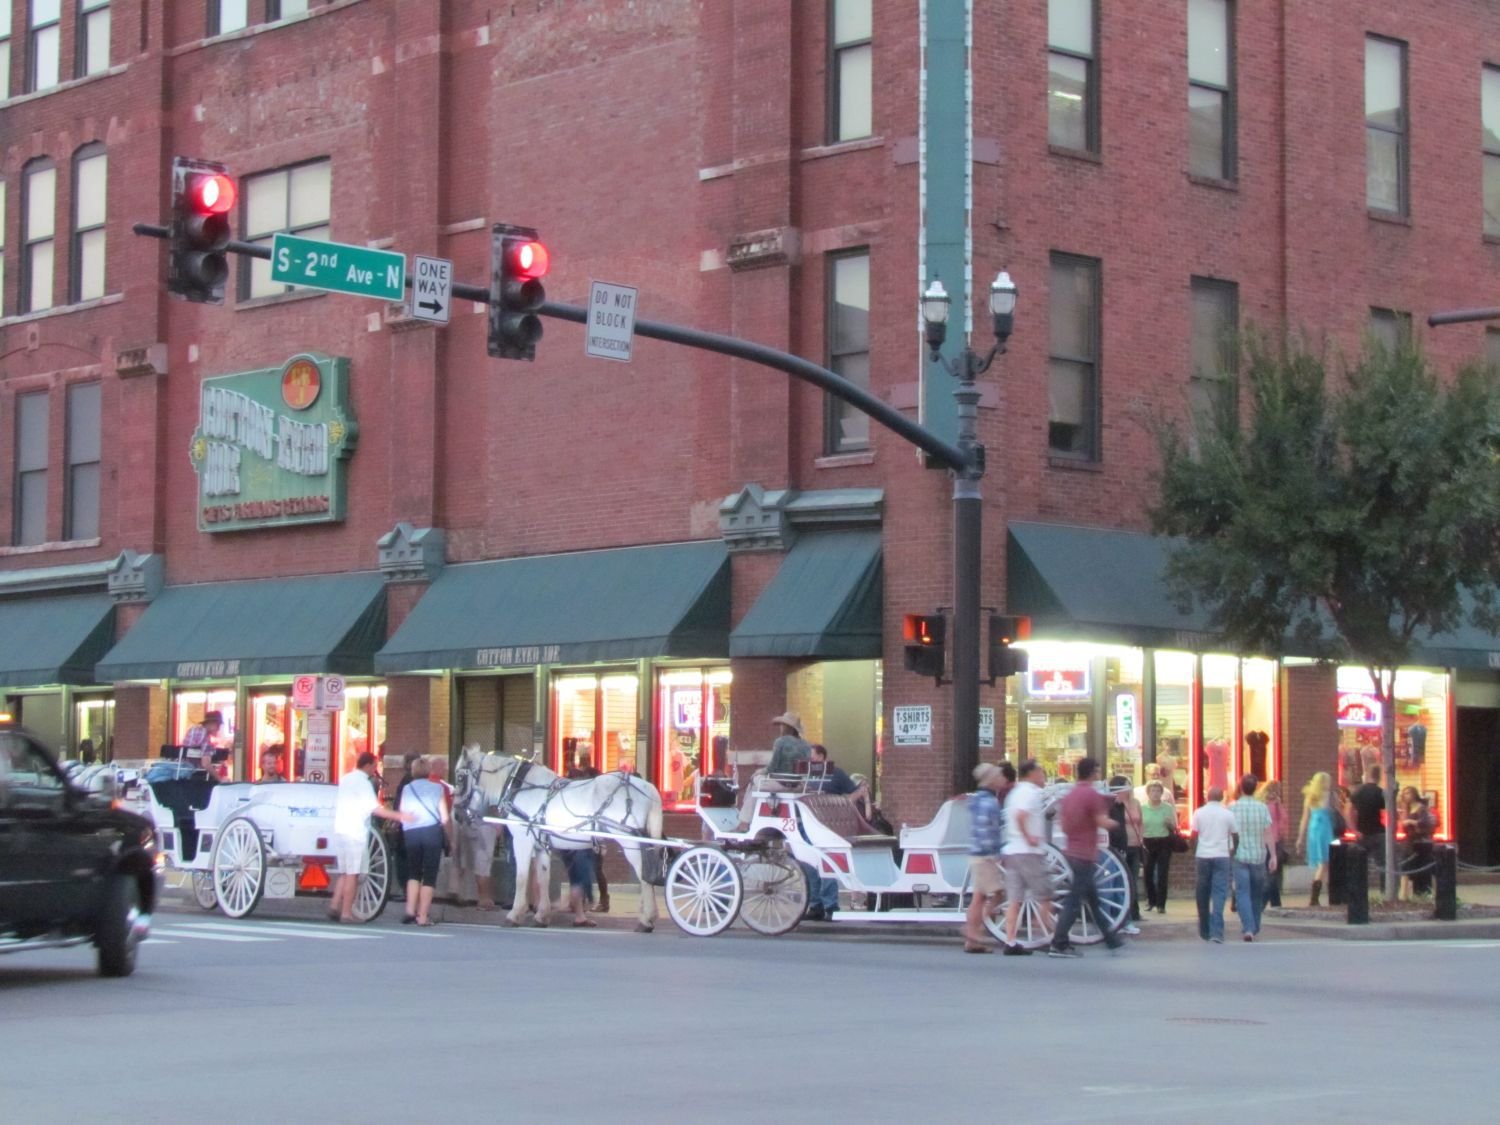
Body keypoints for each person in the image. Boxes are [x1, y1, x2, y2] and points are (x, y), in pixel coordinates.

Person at [1049, 758, 1124, 958]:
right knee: (1075, 901)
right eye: (1098, 771)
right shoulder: (1092, 795)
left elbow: (1064, 826)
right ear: (1092, 773)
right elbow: (1101, 821)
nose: (1099, 775)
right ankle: (1059, 942)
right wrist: (1116, 824)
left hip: (1071, 851)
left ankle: (1110, 939)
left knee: (1093, 899)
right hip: (1085, 853)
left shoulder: (1070, 796)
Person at [329, 751, 412, 923]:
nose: (375, 770)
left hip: (340, 829)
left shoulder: (345, 779)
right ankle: (346, 913)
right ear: (367, 765)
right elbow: (375, 809)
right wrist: (399, 816)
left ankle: (335, 905)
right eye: (374, 766)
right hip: (355, 831)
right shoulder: (363, 784)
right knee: (353, 873)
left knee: (344, 872)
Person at [1001, 760, 1052, 956]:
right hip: (1028, 852)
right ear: (1031, 773)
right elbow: (1021, 816)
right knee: (1046, 895)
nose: (1043, 775)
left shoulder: (1014, 793)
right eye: (1040, 771)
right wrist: (1028, 836)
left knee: (1015, 899)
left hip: (1012, 851)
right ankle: (1046, 933)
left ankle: (1011, 941)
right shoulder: (1029, 793)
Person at [399, 756, 454, 926]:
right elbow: (444, 817)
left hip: (411, 833)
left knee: (414, 872)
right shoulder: (437, 788)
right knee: (429, 875)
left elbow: (403, 812)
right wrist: (451, 839)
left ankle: (409, 909)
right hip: (431, 833)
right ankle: (422, 916)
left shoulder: (407, 789)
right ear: (429, 771)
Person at [734, 711, 811, 830]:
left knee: (755, 782)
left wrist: (759, 772)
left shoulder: (781, 742)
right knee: (758, 783)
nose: (780, 727)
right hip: (798, 784)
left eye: (782, 725)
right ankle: (753, 815)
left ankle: (744, 821)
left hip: (780, 783)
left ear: (787, 727)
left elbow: (773, 767)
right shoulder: (806, 745)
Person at [962, 762, 1007, 953]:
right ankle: (974, 931)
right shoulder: (990, 802)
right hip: (984, 855)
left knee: (979, 896)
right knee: (996, 894)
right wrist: (995, 853)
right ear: (992, 780)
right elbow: (989, 830)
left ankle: (973, 938)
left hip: (976, 853)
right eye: (999, 776)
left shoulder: (977, 799)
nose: (1002, 780)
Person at [1230, 774, 1275, 941]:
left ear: (1241, 787)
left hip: (1240, 855)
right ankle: (1255, 925)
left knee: (1242, 892)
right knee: (1257, 892)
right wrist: (1273, 855)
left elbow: (1229, 833)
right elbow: (1268, 832)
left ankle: (1248, 927)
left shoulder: (1232, 808)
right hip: (1258, 855)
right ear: (1256, 788)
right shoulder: (1262, 808)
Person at [1191, 786, 1236, 943]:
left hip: (1203, 855)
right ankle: (1217, 931)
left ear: (1207, 797)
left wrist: (1195, 851)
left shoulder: (1198, 813)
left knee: (1202, 891)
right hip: (1222, 855)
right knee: (1219, 893)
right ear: (1221, 797)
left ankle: (1204, 928)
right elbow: (1234, 835)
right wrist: (1232, 851)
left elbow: (1194, 835)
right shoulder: (1228, 814)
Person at [566, 754, 610, 913]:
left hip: (591, 833)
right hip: (593, 833)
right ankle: (592, 900)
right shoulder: (591, 777)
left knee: (588, 868)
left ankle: (586, 901)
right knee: (594, 869)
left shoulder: (584, 780)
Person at [1108, 775, 1143, 935]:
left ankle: (1120, 920)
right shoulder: (1111, 806)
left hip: (1121, 848)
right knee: (1120, 887)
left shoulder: (1121, 805)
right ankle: (1122, 921)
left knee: (1121, 886)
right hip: (1114, 849)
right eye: (1126, 787)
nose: (1129, 790)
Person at [1296, 771, 1337, 906]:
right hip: (1325, 828)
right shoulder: (1330, 796)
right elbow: (1339, 810)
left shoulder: (1310, 797)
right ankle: (1319, 897)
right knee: (1325, 862)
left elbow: (1304, 818)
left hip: (1313, 829)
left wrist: (1300, 838)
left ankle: (1324, 895)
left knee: (1325, 862)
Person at [1140, 780, 1176, 914]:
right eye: (1152, 791)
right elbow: (1139, 825)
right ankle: (1151, 901)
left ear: (1161, 793)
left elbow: (1174, 827)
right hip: (1148, 840)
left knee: (1162, 873)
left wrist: (1169, 824)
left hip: (1163, 841)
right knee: (1148, 873)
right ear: (1148, 793)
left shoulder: (1167, 807)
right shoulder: (1143, 808)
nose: (1155, 794)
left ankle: (1161, 904)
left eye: (1158, 791)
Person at [1398, 786, 1436, 899]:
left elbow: (1424, 822)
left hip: (1421, 842)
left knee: (1423, 868)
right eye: (1404, 794)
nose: (1406, 796)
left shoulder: (1421, 807)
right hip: (1410, 841)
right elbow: (1404, 826)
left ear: (1414, 794)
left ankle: (1426, 892)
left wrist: (1411, 821)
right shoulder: (1407, 808)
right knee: (1406, 867)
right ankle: (1404, 894)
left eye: (1408, 793)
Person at [1259, 780, 1288, 908]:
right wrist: (1283, 836)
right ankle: (1263, 901)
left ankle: (1276, 901)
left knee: (1268, 870)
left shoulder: (1260, 804)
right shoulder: (1276, 805)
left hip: (1261, 840)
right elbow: (1283, 821)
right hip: (1274, 840)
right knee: (1272, 872)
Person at [1350, 764, 1386, 852]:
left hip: (1361, 831)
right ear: (1379, 776)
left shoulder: (1358, 791)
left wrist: (1354, 829)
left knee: (1362, 859)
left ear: (1367, 775)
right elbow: (1388, 813)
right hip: (1378, 831)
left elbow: (1348, 811)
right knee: (1380, 861)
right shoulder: (1381, 792)